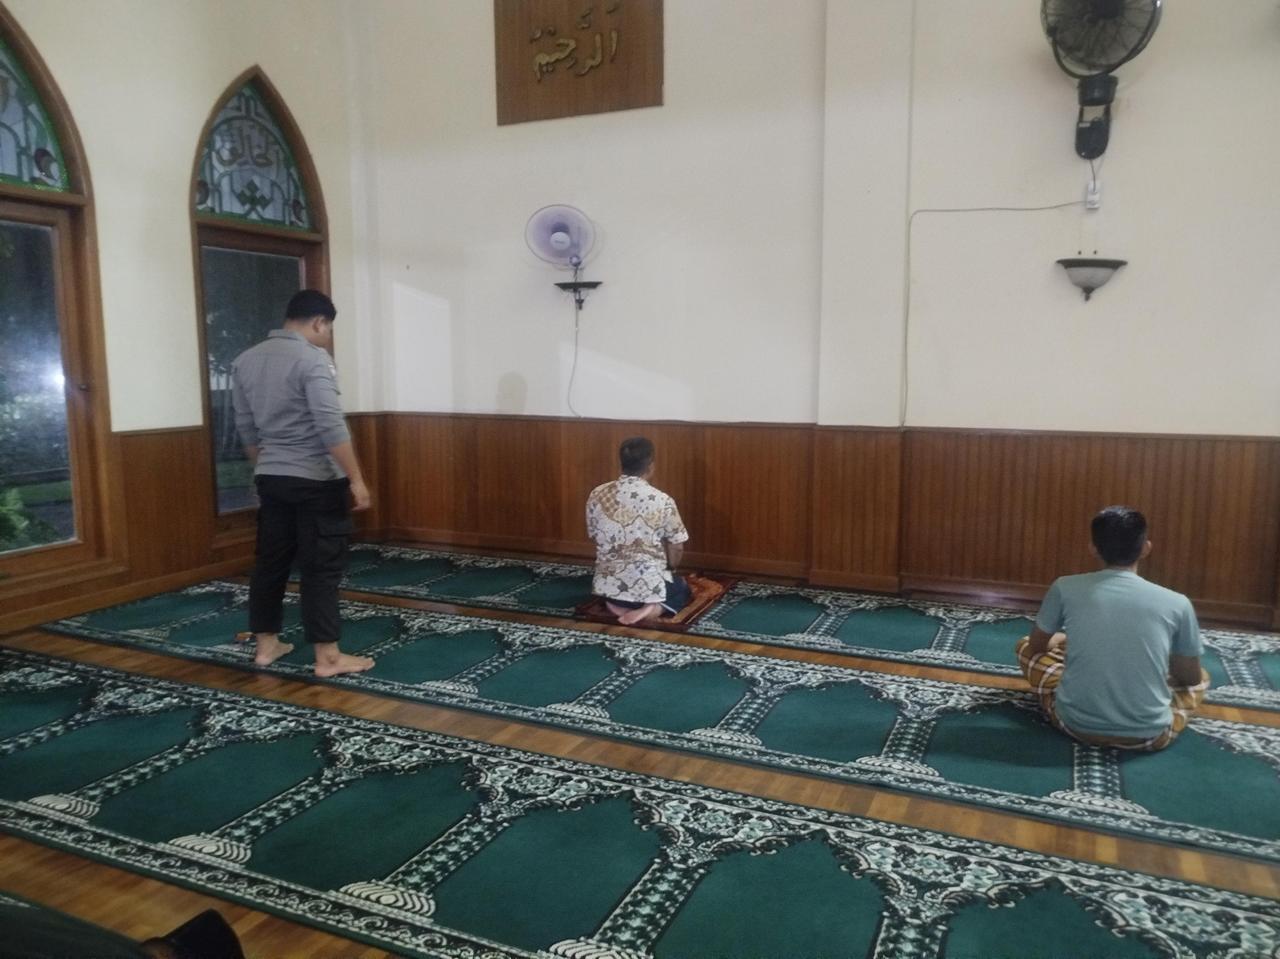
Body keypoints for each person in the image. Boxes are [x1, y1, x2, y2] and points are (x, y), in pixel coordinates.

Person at [231, 289, 374, 678]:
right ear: (319, 323)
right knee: (321, 567)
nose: (327, 338)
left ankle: (266, 647)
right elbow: (330, 424)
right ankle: (328, 658)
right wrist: (356, 479)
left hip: (272, 477)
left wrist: (265, 468)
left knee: (270, 563)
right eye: (328, 330)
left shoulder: (245, 360)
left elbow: (246, 427)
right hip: (316, 480)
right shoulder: (313, 360)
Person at [1016, 505, 1209, 750]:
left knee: (1024, 647)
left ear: (1093, 548)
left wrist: (1062, 639)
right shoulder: (1178, 603)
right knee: (1202, 678)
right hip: (1150, 736)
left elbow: (1036, 645)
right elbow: (1190, 678)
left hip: (1073, 723)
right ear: (1145, 548)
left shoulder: (1064, 587)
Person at [586, 436, 692, 625]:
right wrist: (670, 569)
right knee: (681, 588)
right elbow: (677, 546)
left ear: (621, 463)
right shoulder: (662, 500)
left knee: (609, 584)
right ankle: (650, 609)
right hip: (649, 587)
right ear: (651, 466)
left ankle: (614, 605)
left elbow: (594, 535)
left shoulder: (597, 494)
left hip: (609, 585)